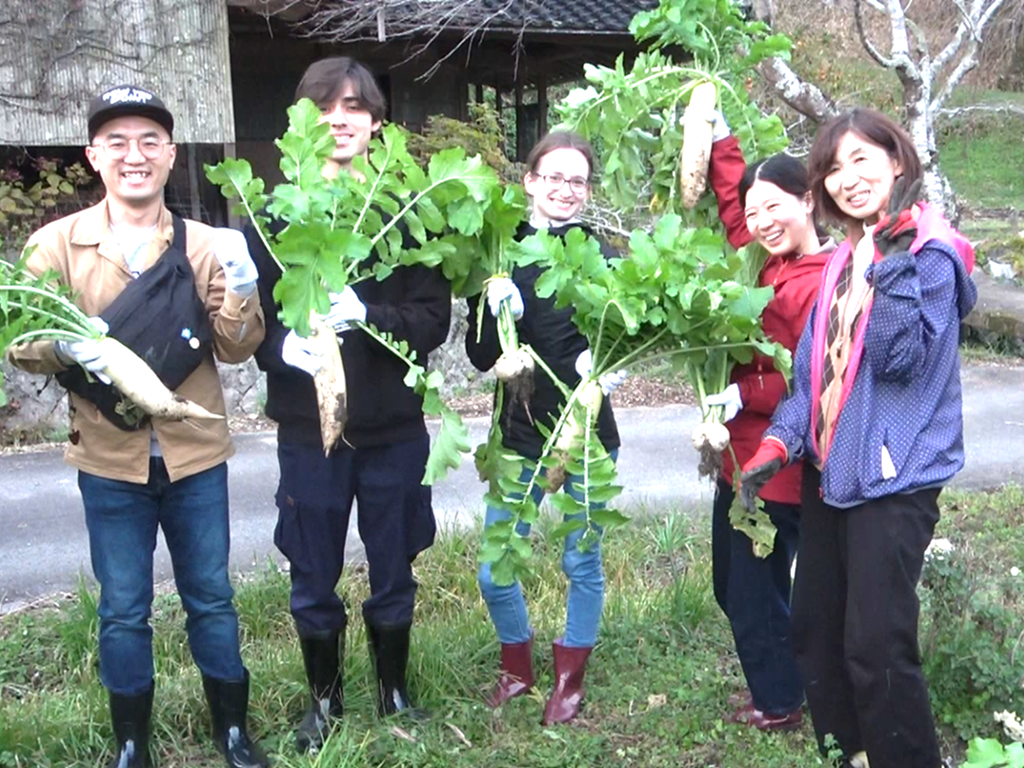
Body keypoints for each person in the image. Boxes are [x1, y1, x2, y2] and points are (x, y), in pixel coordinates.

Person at [7, 85, 268, 768]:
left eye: (150, 141)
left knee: (211, 596)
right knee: (123, 606)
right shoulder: (56, 244)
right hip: (108, 459)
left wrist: (243, 289)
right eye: (117, 141)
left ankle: (232, 733)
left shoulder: (206, 244)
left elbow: (236, 347)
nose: (135, 155)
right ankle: (132, 744)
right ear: (94, 155)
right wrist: (64, 347)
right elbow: (19, 341)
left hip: (195, 456)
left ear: (171, 155)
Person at [741, 108, 977, 768]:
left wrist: (894, 263)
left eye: (862, 160)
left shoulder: (930, 256)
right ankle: (852, 756)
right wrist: (777, 445)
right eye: (833, 168)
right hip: (832, 471)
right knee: (816, 632)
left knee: (877, 647)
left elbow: (900, 362)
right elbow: (812, 376)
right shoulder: (844, 259)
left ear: (897, 163)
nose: (847, 178)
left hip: (894, 478)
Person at [245, 57, 451, 752]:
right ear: (301, 121)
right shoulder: (271, 215)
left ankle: (394, 692)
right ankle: (324, 703)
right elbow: (252, 323)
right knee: (312, 569)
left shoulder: (409, 213)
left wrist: (369, 314)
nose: (339, 120)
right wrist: (282, 349)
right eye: (324, 107)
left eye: (355, 107)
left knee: (394, 564)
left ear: (376, 123)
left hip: (393, 429)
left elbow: (433, 321)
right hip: (309, 430)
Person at [466, 130, 626, 725]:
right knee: (495, 566)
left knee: (582, 561)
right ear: (530, 181)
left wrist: (609, 368)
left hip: (587, 436)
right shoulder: (501, 252)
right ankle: (517, 666)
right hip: (520, 432)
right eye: (554, 177)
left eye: (577, 181)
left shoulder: (604, 256)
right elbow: (479, 354)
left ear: (588, 191)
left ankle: (569, 677)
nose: (565, 189)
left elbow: (630, 332)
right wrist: (494, 313)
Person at [699, 111, 833, 731]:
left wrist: (743, 392)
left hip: (779, 465)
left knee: (754, 593)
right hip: (736, 456)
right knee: (731, 585)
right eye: (756, 213)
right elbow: (734, 208)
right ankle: (785, 680)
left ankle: (780, 702)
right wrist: (719, 137)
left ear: (809, 201)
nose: (761, 221)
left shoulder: (827, 279)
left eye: (775, 206)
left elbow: (809, 378)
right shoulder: (759, 259)